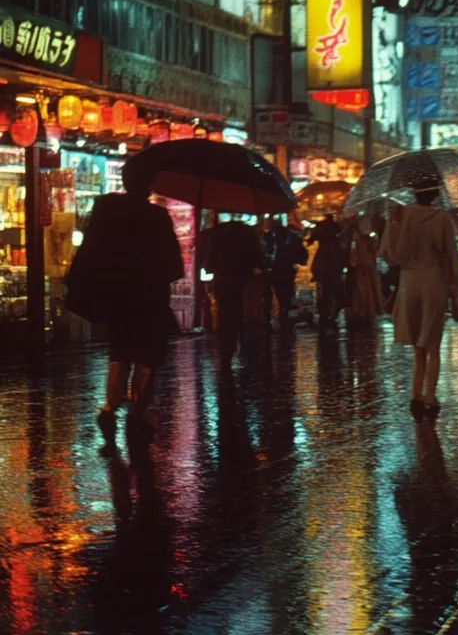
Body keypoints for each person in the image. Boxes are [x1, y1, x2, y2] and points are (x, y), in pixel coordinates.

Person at [65, 177, 184, 445]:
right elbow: (172, 264)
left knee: (120, 352)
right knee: (147, 358)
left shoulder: (109, 213)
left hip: (120, 297)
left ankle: (109, 408)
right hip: (150, 297)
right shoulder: (156, 217)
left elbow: (93, 252)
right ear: (149, 189)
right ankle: (137, 415)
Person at [381, 176, 458, 422]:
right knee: (432, 344)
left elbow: (391, 256)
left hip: (409, 283)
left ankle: (414, 394)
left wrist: (394, 224)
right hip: (433, 281)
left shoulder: (401, 215)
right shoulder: (441, 219)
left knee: (417, 345)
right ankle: (430, 396)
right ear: (435, 195)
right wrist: (456, 292)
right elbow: (451, 257)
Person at [199, 215, 266, 370]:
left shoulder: (214, 234)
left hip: (222, 277)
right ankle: (240, 342)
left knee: (225, 311)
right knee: (240, 309)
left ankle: (226, 350)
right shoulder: (247, 233)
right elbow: (257, 257)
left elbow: (207, 258)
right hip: (241, 277)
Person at [263, 218, 307, 324]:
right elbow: (302, 254)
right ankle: (285, 310)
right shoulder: (292, 237)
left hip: (274, 269)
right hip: (287, 269)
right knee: (286, 291)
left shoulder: (268, 237)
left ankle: (280, 312)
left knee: (275, 291)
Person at [308, 214, 348, 333]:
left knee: (326, 291)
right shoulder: (337, 229)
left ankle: (325, 315)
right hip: (333, 262)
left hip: (324, 263)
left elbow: (311, 240)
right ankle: (331, 314)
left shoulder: (321, 228)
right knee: (334, 291)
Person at [346, 217, 384, 326]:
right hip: (369, 266)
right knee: (368, 290)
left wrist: (355, 264)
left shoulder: (357, 238)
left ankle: (364, 312)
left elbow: (353, 254)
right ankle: (369, 312)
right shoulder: (370, 239)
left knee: (362, 290)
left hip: (362, 268)